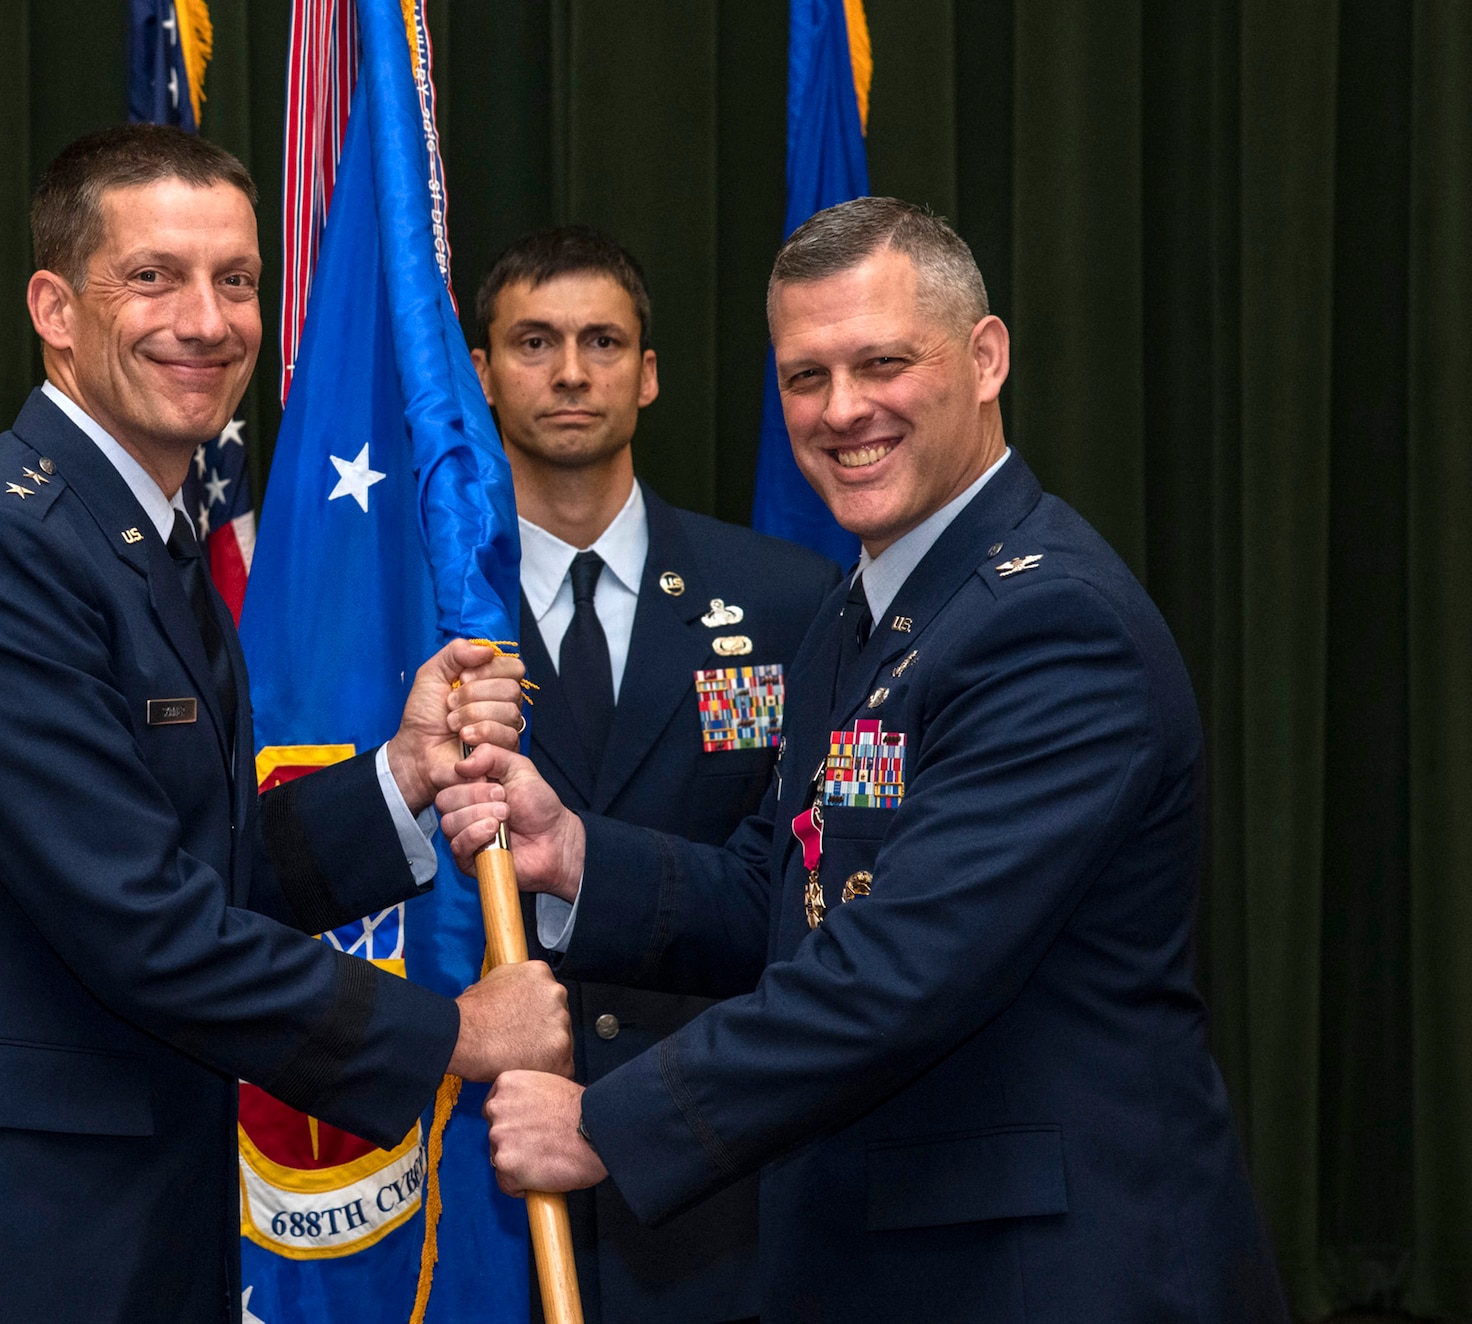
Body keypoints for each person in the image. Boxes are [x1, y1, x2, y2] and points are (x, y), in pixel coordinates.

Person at [441, 198, 1289, 1323]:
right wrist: (573, 855)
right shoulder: (863, 613)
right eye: (804, 377)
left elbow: (901, 967)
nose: (843, 411)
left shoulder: (1047, 626)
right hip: (898, 1255)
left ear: (984, 359)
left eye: (882, 363)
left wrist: (608, 1121)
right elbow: (784, 891)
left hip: (1044, 1273)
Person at [0, 124, 569, 1323]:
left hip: (124, 1211)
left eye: (237, 281)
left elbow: (209, 862)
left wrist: (398, 780)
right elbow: (141, 924)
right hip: (5, 1235)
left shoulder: (137, 537)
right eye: (151, 276)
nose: (206, 322)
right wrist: (450, 1031)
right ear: (53, 306)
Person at [468, 226, 837, 1324]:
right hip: (480, 1181)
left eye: (601, 341)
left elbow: (800, 892)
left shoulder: (785, 596)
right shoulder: (428, 612)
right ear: (479, 373)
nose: (571, 372)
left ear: (649, 373)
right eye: (533, 341)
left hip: (711, 1192)